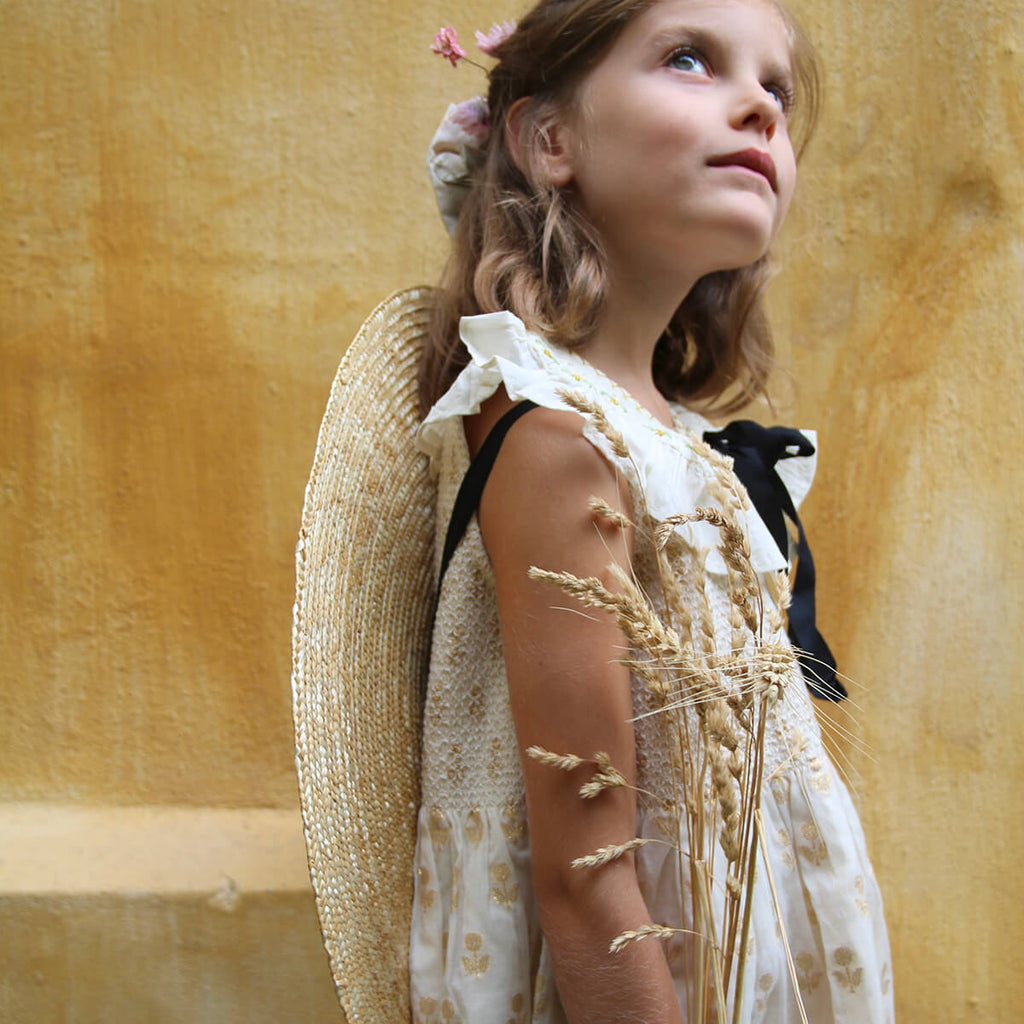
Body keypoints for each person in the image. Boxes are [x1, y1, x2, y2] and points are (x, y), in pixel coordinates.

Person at [411, 1, 893, 1021]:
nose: (760, 108)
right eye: (690, 60)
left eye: (776, 86)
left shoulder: (673, 435)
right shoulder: (556, 436)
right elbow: (587, 882)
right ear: (551, 140)